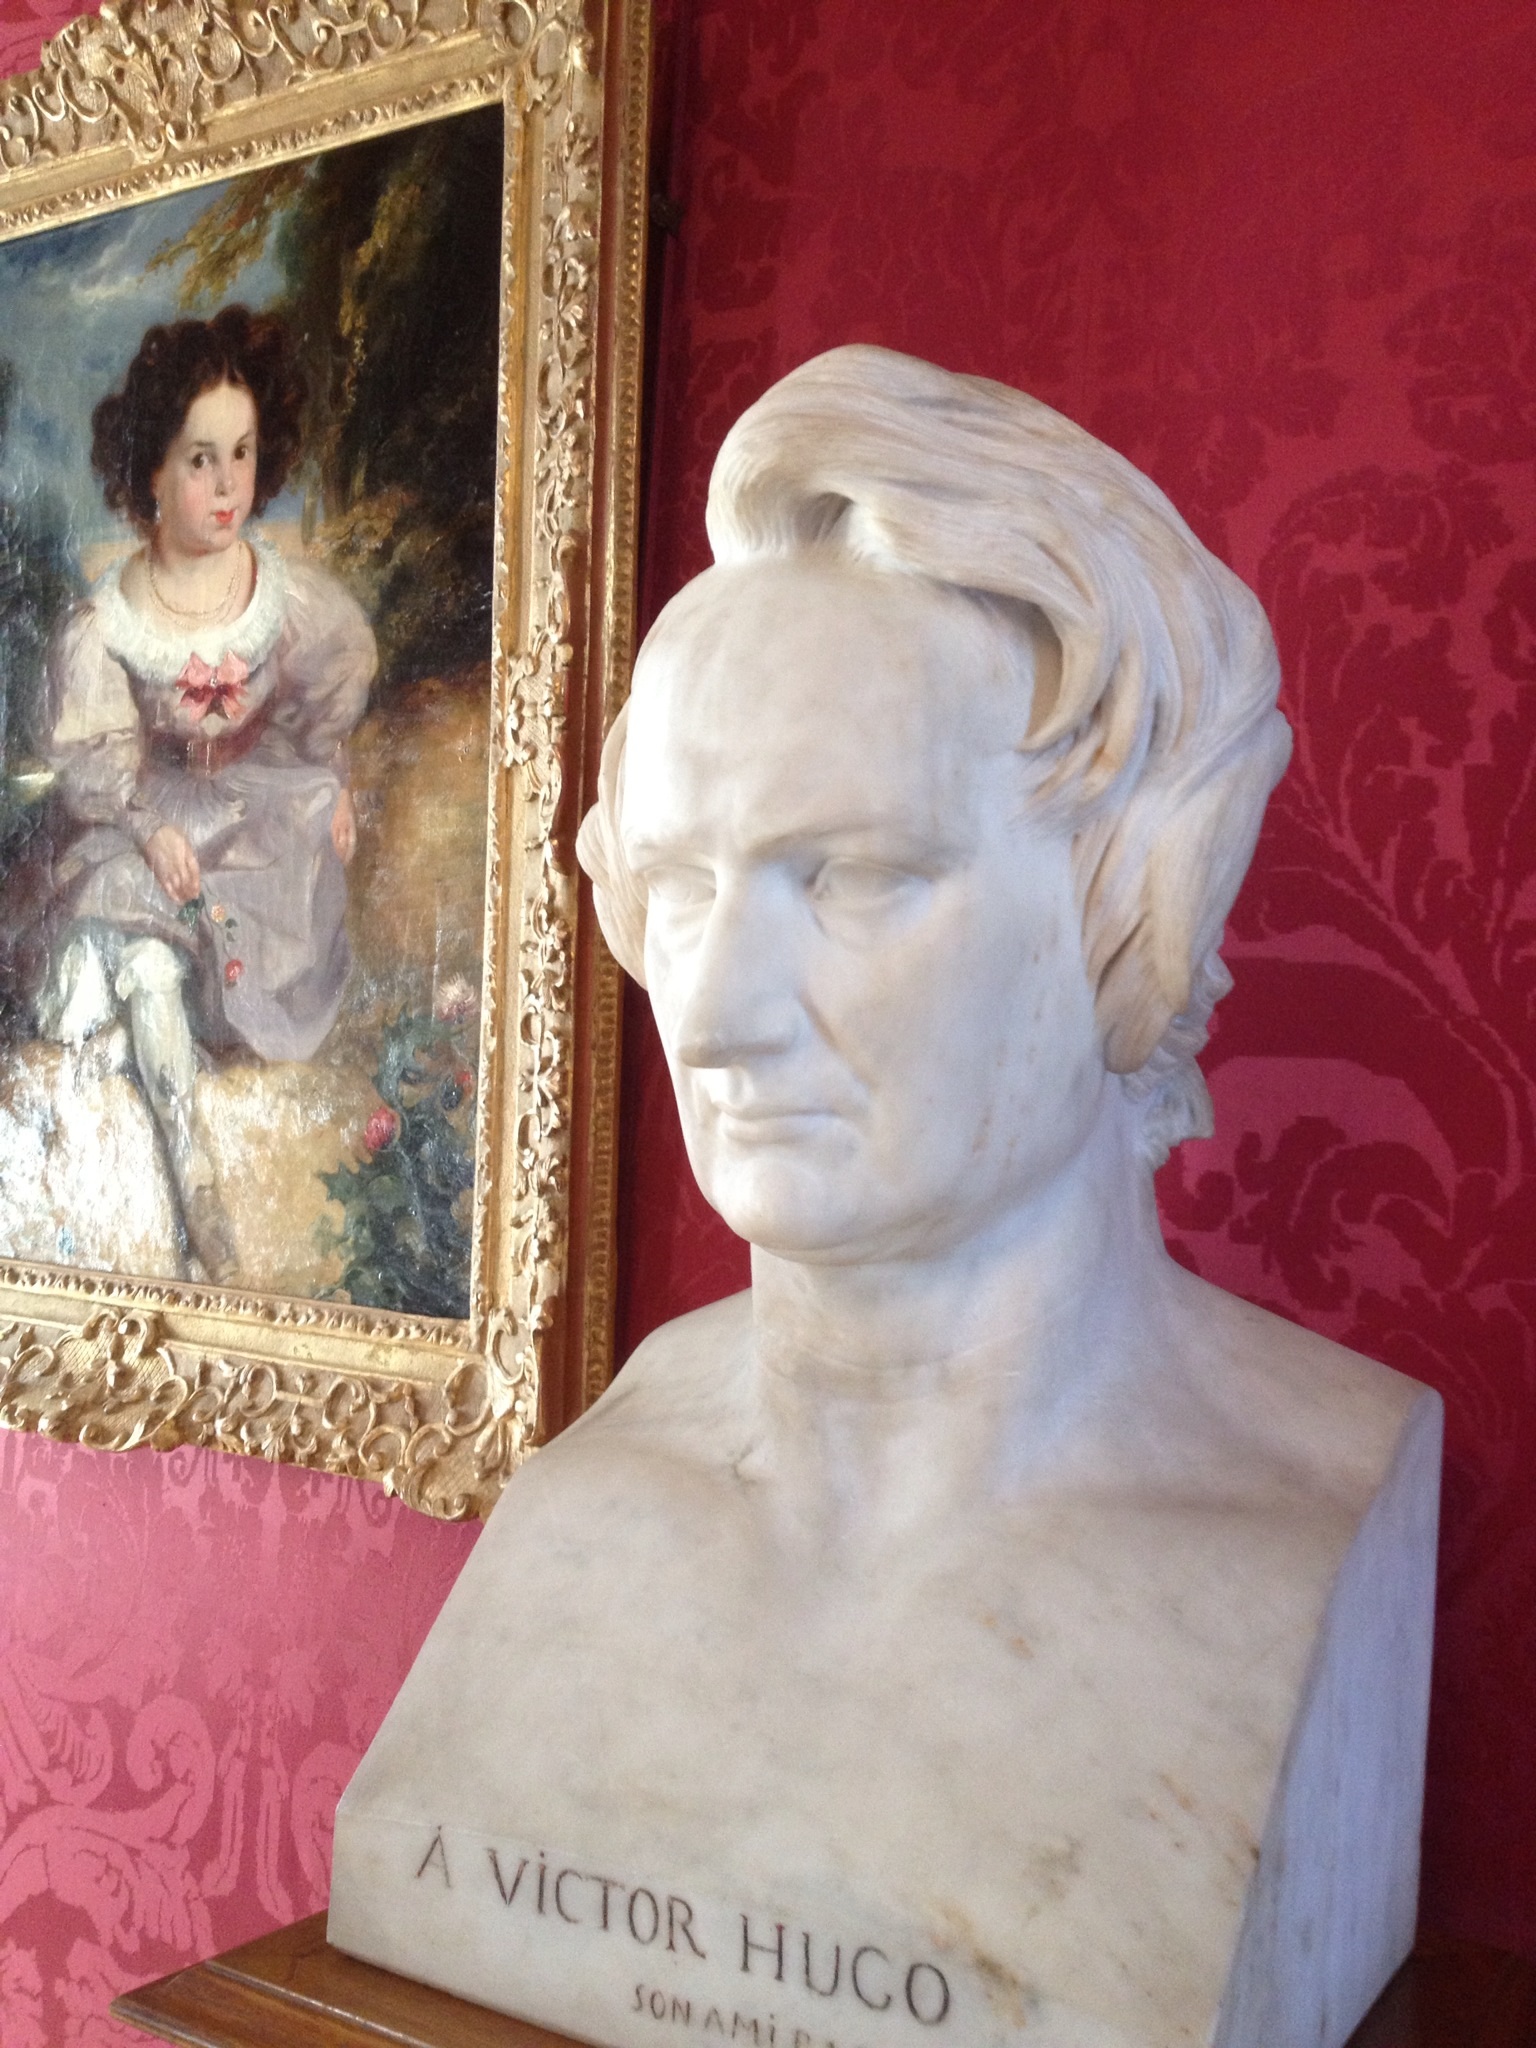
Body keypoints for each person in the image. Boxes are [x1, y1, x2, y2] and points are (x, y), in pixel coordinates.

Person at [330, 347, 1439, 2048]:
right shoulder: (588, 1492)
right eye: (678, 886)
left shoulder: (1296, 1521)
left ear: (1135, 901)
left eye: (851, 875)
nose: (711, 1012)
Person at [37, 306, 376, 1283]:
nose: (228, 484)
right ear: (150, 471)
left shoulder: (288, 598)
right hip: (145, 817)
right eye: (199, 460)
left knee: (253, 904)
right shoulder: (109, 622)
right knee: (143, 955)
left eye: (242, 453)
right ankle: (198, 1192)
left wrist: (336, 780)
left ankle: (160, 1022)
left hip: (255, 818)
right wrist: (147, 829)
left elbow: (320, 712)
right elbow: (100, 769)